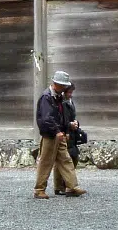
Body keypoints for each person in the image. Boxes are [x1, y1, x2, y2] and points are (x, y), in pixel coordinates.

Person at [33, 71, 86, 199]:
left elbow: (62, 117)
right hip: (51, 135)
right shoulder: (47, 97)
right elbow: (47, 118)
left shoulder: (57, 97)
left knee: (66, 160)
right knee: (46, 162)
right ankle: (39, 190)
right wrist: (57, 131)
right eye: (63, 85)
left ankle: (72, 186)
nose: (64, 88)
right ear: (56, 83)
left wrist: (65, 130)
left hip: (59, 134)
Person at [55, 83, 89, 196]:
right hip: (65, 133)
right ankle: (65, 186)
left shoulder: (69, 102)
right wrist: (70, 125)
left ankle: (64, 186)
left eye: (71, 92)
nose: (70, 95)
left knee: (67, 159)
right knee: (67, 159)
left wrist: (76, 124)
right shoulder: (61, 103)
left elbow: (72, 117)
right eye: (68, 92)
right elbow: (61, 120)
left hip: (71, 133)